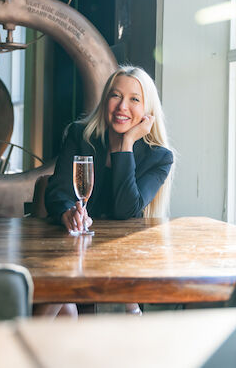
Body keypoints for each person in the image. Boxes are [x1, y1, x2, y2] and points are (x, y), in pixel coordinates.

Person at [40, 65, 174, 318]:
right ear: (105, 100)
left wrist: (125, 145)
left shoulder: (159, 158)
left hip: (120, 257)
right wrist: (67, 212)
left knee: (64, 303)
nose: (122, 106)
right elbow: (58, 191)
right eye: (115, 95)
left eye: (134, 99)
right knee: (64, 305)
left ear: (148, 111)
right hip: (70, 249)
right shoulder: (81, 135)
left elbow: (127, 211)